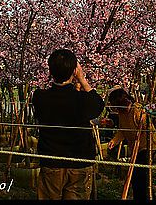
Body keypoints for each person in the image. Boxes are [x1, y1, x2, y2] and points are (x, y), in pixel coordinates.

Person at [31, 49, 105, 200]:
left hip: (51, 162)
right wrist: (82, 80)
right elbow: (98, 105)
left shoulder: (39, 97)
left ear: (50, 71)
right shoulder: (82, 100)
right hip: (79, 162)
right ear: (74, 71)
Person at [106, 87, 156, 201]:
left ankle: (148, 197)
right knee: (135, 178)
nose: (114, 108)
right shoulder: (122, 113)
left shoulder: (137, 110)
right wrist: (114, 141)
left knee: (141, 176)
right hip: (136, 147)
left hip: (147, 146)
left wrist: (139, 139)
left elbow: (148, 129)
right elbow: (122, 130)